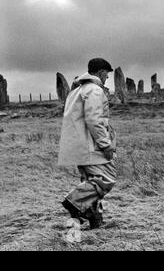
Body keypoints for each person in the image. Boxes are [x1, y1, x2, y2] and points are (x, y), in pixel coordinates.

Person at [58, 58, 116, 229]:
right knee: (105, 179)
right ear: (100, 72)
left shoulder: (76, 91)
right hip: (91, 145)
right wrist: (105, 144)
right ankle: (74, 202)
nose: (107, 77)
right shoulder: (95, 91)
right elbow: (94, 119)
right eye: (107, 73)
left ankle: (94, 218)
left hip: (79, 145)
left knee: (90, 180)